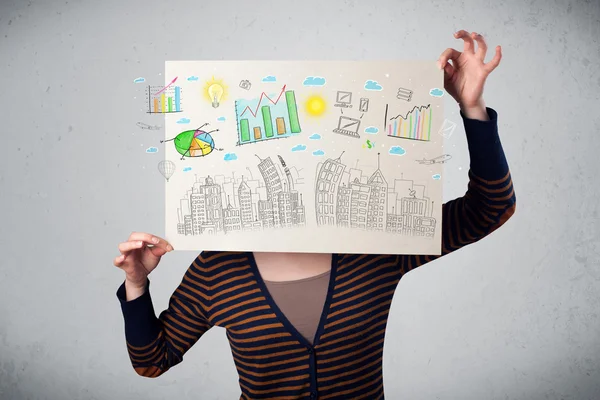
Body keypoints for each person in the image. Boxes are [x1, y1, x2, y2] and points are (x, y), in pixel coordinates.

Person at [114, 30, 516, 400]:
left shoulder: (376, 243)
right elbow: (152, 360)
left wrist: (472, 107)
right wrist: (136, 282)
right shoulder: (217, 269)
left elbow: (491, 207)